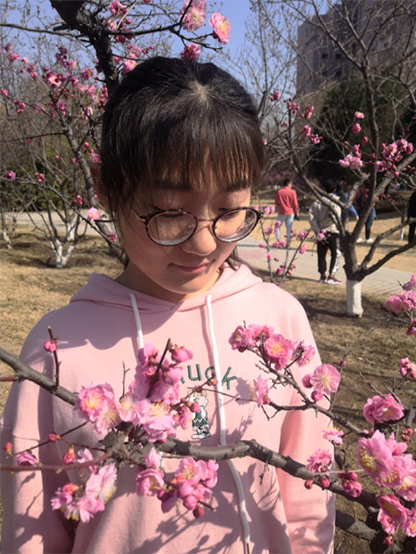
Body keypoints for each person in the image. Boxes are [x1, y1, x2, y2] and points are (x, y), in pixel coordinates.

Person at [1, 57, 334, 554]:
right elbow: (32, 534)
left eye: (229, 210)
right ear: (106, 187)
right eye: (171, 213)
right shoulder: (57, 349)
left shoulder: (279, 322)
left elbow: (308, 502)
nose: (204, 243)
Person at [308, 179, 342, 285]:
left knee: (321, 254)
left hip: (320, 232)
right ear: (335, 189)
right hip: (332, 230)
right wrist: (323, 224)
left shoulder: (317, 202)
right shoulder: (336, 201)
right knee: (336, 253)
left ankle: (322, 275)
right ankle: (331, 275)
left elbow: (311, 216)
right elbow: (335, 217)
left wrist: (317, 228)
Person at [274, 178, 299, 246]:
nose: (292, 185)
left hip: (282, 212)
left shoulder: (279, 191)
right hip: (290, 212)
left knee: (277, 226)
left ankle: (278, 241)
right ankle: (288, 242)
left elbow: (276, 202)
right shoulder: (293, 192)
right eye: (291, 184)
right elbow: (295, 204)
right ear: (288, 184)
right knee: (289, 227)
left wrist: (280, 206)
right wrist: (296, 212)